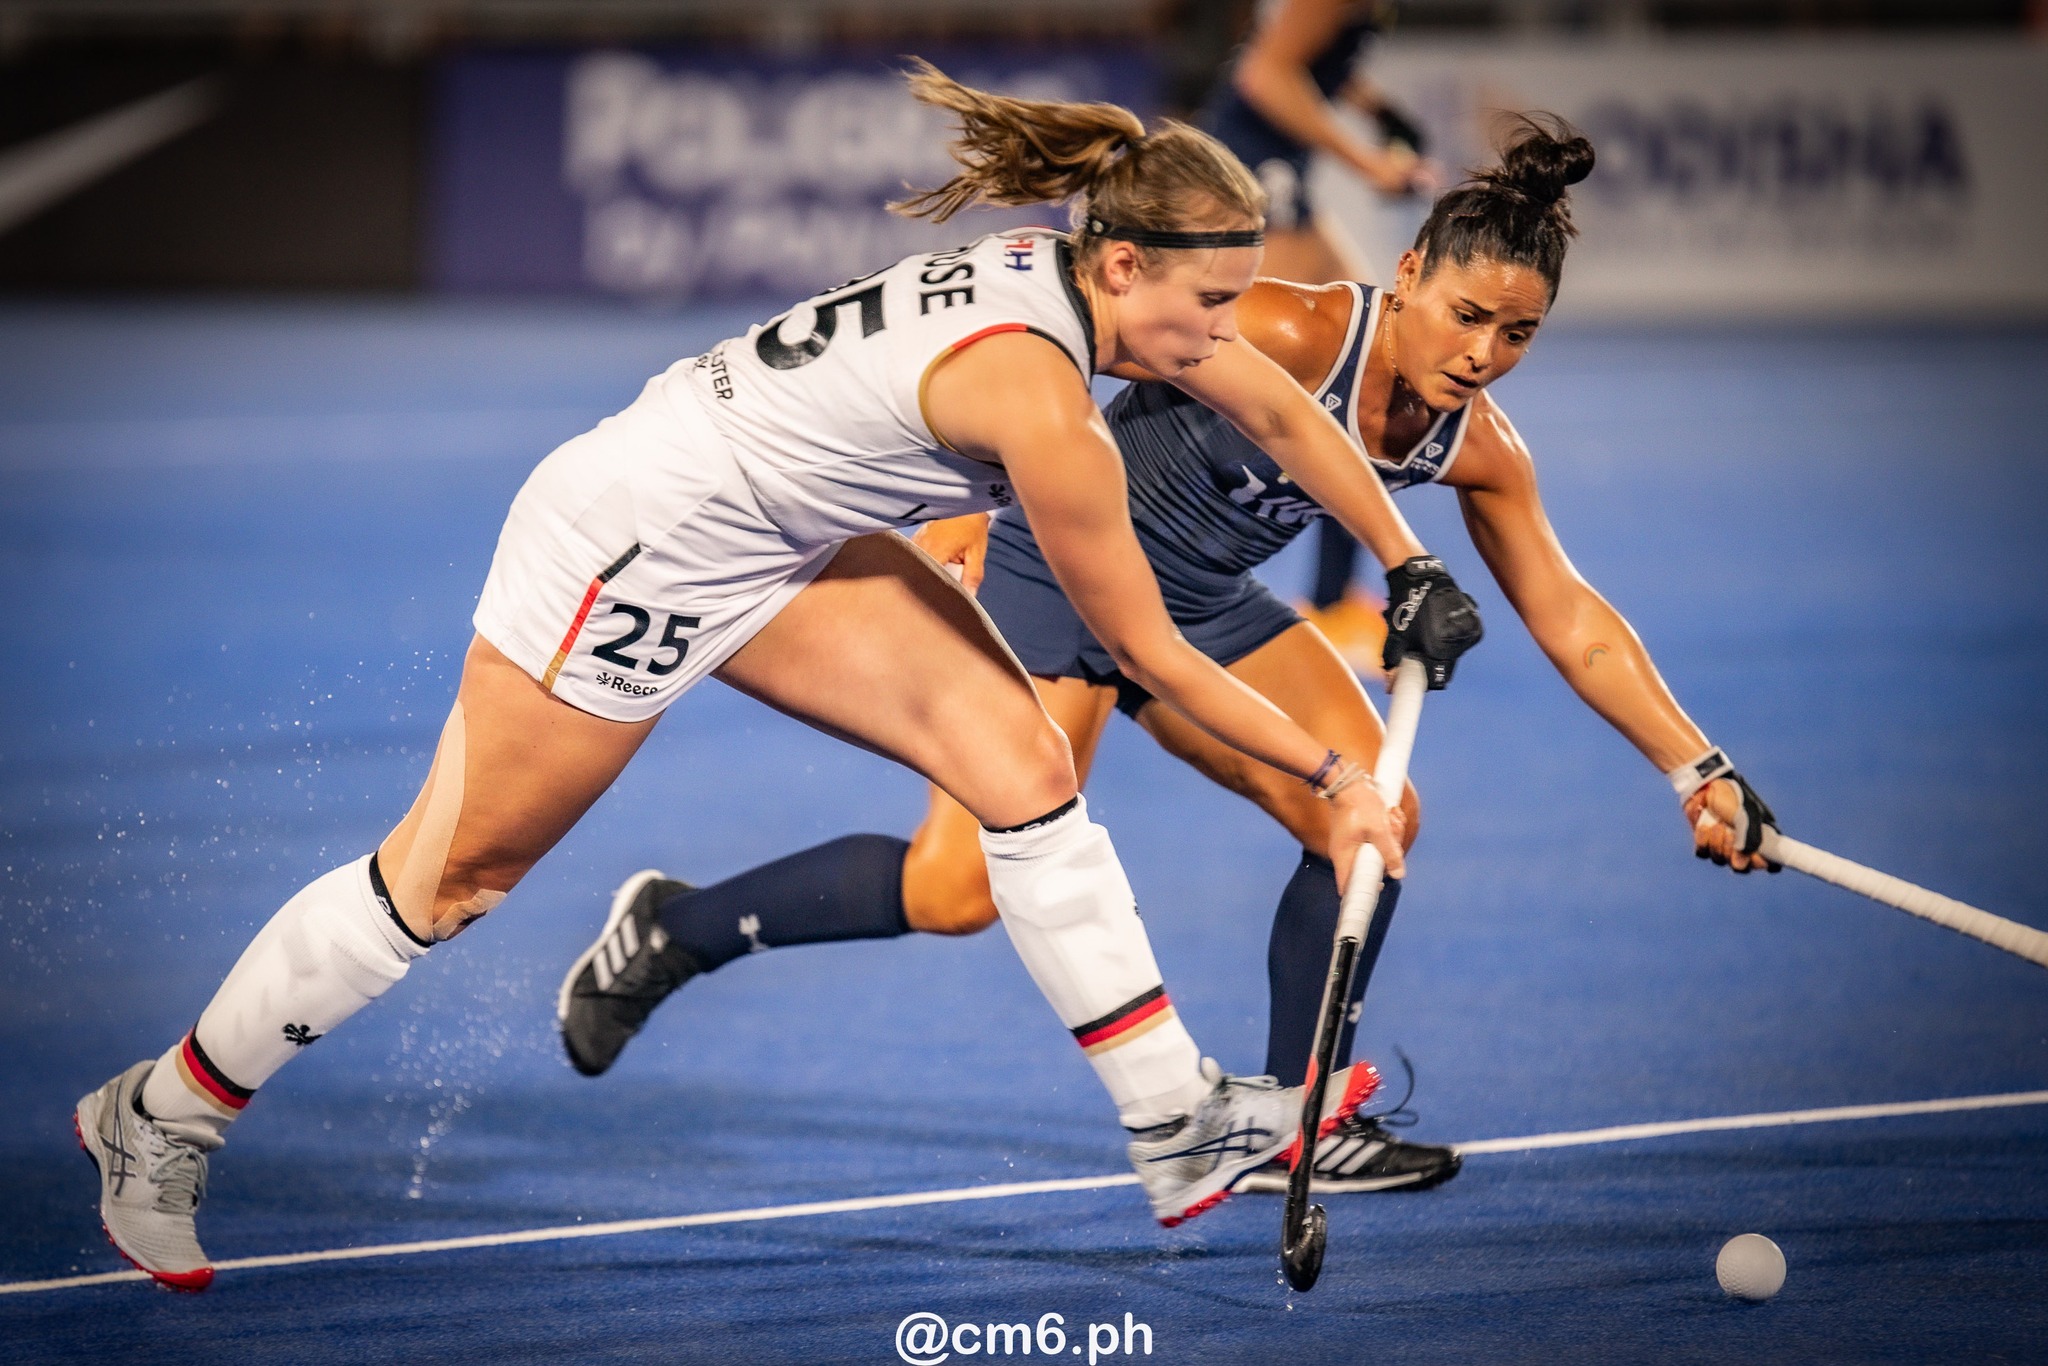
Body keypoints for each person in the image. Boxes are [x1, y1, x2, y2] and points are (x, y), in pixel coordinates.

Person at [73, 62, 1488, 1291]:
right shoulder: (1042, 400)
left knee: (1023, 763)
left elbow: (1283, 416)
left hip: (785, 536)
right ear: (1124, 268)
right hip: (635, 544)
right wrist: (1335, 776)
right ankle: (168, 1108)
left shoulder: (1098, 287)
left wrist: (1406, 555)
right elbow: (1155, 652)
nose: (1221, 333)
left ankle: (1177, 1125)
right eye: (1208, 301)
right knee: (449, 879)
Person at [559, 117, 1782, 1201]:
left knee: (1366, 815)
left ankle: (1298, 1120)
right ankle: (674, 925)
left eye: (1518, 333)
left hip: (1200, 603)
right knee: (955, 892)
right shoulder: (1284, 322)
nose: (1480, 354)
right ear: (1405, 275)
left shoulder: (1480, 445)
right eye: (1465, 316)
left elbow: (1569, 613)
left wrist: (1695, 768)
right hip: (1053, 569)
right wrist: (951, 516)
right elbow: (1046, 355)